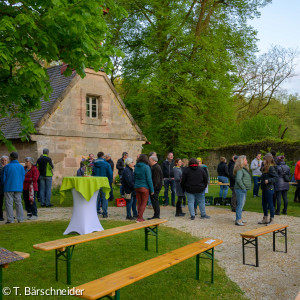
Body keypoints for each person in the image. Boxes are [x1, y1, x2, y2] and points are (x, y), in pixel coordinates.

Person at [1, 152, 25, 224]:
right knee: (18, 203)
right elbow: (23, 177)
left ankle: (10, 219)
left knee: (9, 203)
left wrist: (5, 184)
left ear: (10, 157)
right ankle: (20, 219)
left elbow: (3, 178)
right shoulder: (21, 167)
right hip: (18, 187)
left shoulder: (7, 167)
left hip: (8, 187)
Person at [258, 155, 278, 225]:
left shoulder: (271, 168)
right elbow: (262, 173)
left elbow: (276, 178)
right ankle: (265, 218)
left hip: (269, 188)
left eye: (264, 160)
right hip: (264, 188)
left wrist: (269, 180)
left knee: (270, 204)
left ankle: (272, 219)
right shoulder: (264, 167)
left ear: (267, 160)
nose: (263, 161)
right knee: (264, 204)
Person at [134, 154, 154, 222]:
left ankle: (140, 216)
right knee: (144, 203)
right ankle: (139, 218)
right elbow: (149, 179)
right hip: (144, 187)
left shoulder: (136, 166)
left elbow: (134, 176)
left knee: (139, 202)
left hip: (137, 186)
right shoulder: (146, 167)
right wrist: (152, 189)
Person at [93, 152, 113, 218]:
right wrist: (110, 182)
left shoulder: (93, 164)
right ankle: (105, 213)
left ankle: (95, 211)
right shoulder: (106, 164)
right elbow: (110, 174)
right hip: (104, 182)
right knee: (105, 198)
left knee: (96, 198)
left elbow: (91, 173)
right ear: (103, 156)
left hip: (96, 182)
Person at [233, 156, 252, 226]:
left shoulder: (244, 169)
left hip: (242, 189)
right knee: (240, 205)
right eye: (245, 160)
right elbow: (238, 179)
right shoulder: (240, 169)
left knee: (241, 205)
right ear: (242, 161)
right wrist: (243, 187)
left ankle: (239, 218)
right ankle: (238, 220)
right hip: (240, 189)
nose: (247, 161)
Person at [0, 156, 9, 221]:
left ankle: (10, 215)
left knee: (8, 202)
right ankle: (1, 216)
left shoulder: (9, 167)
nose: (4, 162)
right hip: (0, 187)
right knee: (0, 202)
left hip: (7, 187)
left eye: (5, 160)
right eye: (2, 160)